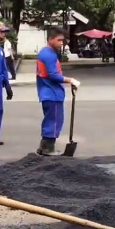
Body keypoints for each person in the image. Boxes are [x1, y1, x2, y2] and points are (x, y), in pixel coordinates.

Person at [35, 27, 80, 156]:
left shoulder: (47, 53)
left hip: (49, 93)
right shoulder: (48, 55)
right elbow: (53, 75)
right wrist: (70, 80)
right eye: (59, 40)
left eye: (62, 41)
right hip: (51, 93)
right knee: (54, 121)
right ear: (50, 39)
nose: (61, 43)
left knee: (51, 120)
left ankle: (43, 147)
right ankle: (48, 148)